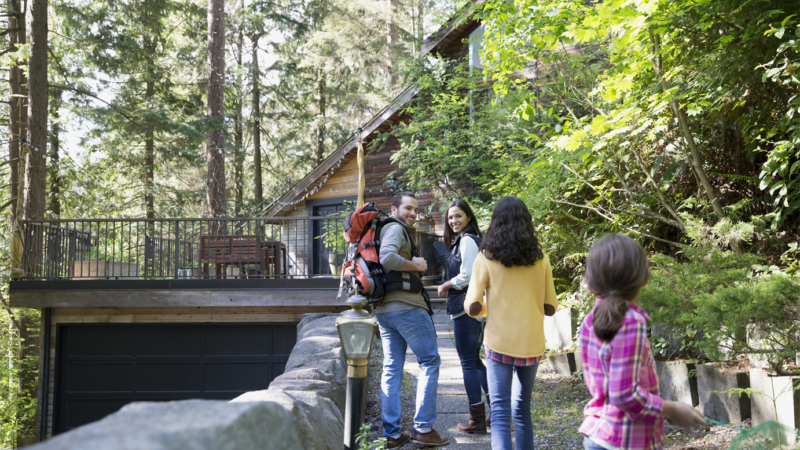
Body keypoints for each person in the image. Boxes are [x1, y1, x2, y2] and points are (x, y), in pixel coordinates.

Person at [579, 234, 706, 450]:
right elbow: (624, 395)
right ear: (644, 278)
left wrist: (659, 411)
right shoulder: (629, 322)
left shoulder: (590, 319)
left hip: (599, 434)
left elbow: (610, 387)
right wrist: (671, 409)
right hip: (626, 441)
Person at [464, 196, 558, 450]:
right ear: (527, 223)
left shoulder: (486, 258)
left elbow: (471, 306)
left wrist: (487, 307)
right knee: (522, 410)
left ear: (496, 222)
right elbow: (550, 307)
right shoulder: (541, 259)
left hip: (499, 342)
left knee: (501, 411)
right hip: (531, 343)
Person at [377, 192, 449, 448]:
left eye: (415, 210)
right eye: (408, 208)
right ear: (394, 209)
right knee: (429, 361)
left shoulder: (386, 229)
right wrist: (416, 265)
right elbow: (387, 258)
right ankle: (423, 428)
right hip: (407, 307)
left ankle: (393, 434)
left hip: (384, 310)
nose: (412, 213)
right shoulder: (395, 229)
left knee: (392, 367)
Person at [436, 199, 491, 434]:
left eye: (458, 216)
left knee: (468, 363)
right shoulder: (463, 240)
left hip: (466, 308)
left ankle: (476, 419)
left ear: (468, 216)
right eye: (450, 217)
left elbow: (469, 275)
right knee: (475, 361)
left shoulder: (468, 240)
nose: (454, 221)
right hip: (470, 308)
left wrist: (447, 284)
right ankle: (497, 412)